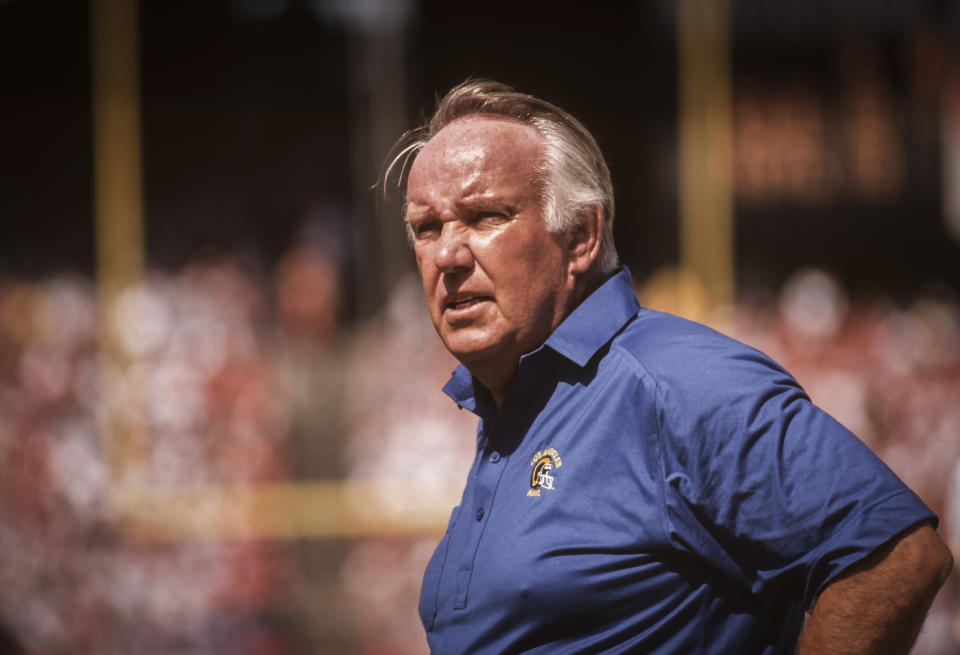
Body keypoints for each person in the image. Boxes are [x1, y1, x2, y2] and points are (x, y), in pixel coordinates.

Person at [380, 79, 953, 654]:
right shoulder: (512, 404)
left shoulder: (675, 381)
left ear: (580, 237)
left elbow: (897, 557)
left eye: (484, 217)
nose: (447, 255)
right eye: (427, 228)